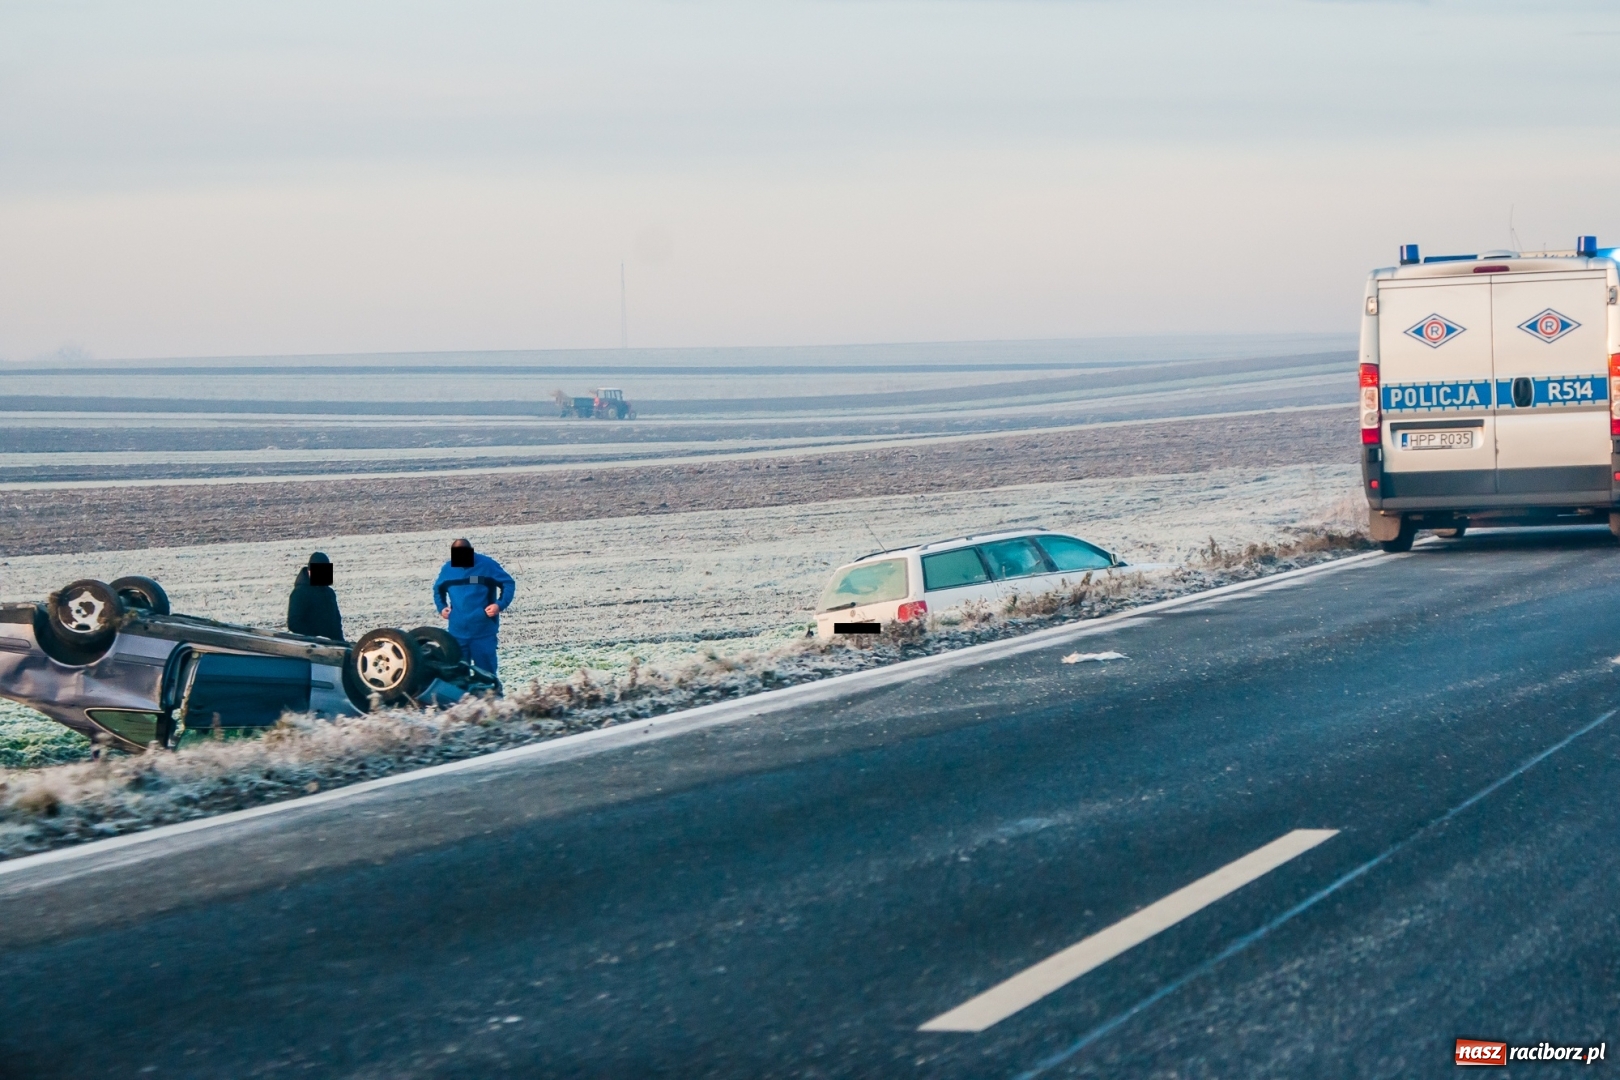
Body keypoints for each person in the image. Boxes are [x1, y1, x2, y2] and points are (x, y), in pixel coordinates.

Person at [433, 538, 514, 674]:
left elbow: (508, 583)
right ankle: (465, 696)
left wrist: (499, 605)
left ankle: (491, 696)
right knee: (458, 676)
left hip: (483, 632)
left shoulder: (486, 565)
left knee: (486, 676)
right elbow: (438, 589)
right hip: (457, 633)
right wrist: (442, 607)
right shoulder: (448, 569)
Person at [287, 551, 345, 640]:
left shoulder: (329, 593)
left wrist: (341, 642)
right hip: (309, 646)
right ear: (309, 571)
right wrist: (315, 637)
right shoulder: (300, 593)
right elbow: (294, 623)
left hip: (333, 645)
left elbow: (336, 621)